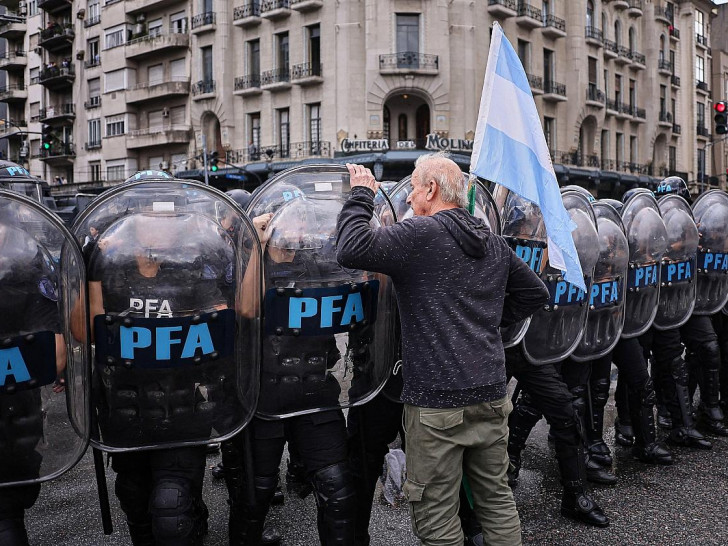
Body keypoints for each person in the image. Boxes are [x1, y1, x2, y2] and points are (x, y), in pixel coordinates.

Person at [336, 153, 548, 546]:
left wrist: (362, 195)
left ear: (431, 190)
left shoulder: (420, 234)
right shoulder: (493, 242)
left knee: (436, 517)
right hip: (490, 393)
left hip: (438, 404)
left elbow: (350, 247)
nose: (410, 198)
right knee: (497, 501)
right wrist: (483, 322)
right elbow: (536, 292)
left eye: (414, 188)